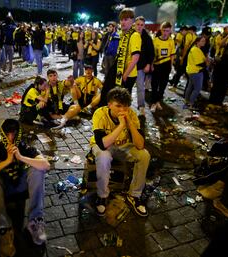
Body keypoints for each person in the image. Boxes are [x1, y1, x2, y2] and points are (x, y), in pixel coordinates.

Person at [0, 119, 50, 257]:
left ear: (18, 134)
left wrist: (21, 157)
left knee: (38, 171)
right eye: (7, 134)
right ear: (3, 134)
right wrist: (6, 161)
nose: (10, 139)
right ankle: (3, 230)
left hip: (20, 185)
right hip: (3, 187)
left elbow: (46, 165)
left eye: (14, 134)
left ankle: (35, 222)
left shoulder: (24, 147)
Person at [90, 87, 150, 217]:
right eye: (118, 106)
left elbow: (140, 145)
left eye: (125, 107)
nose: (122, 110)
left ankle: (134, 195)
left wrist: (130, 124)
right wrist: (121, 125)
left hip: (124, 146)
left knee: (144, 155)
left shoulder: (131, 114)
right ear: (109, 104)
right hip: (103, 146)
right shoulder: (100, 113)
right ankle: (102, 195)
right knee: (104, 155)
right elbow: (103, 144)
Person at [99, 8, 141, 107]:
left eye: (126, 19)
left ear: (132, 21)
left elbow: (135, 58)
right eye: (121, 19)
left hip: (127, 74)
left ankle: (121, 117)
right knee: (109, 92)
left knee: (122, 100)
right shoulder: (122, 34)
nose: (122, 22)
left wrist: (125, 75)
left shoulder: (134, 35)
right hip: (118, 69)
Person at [52, 64, 103, 129]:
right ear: (85, 71)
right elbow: (73, 83)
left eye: (89, 70)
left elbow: (102, 89)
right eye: (86, 70)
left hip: (91, 99)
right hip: (81, 97)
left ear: (92, 71)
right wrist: (72, 83)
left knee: (101, 94)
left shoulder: (96, 80)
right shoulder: (81, 78)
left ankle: (88, 108)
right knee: (73, 86)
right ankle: (76, 104)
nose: (88, 71)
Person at [150, 21, 175, 113]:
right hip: (157, 66)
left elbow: (172, 55)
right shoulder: (155, 40)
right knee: (154, 85)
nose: (165, 33)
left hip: (166, 65)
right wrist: (151, 65)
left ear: (170, 31)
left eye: (167, 31)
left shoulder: (171, 41)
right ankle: (153, 103)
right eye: (164, 30)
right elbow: (152, 55)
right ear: (161, 30)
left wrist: (171, 66)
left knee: (163, 86)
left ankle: (158, 101)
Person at [134, 16, 154, 117]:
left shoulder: (147, 38)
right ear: (134, 24)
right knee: (126, 87)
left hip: (140, 66)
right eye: (138, 24)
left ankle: (141, 106)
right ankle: (125, 106)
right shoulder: (130, 35)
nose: (139, 26)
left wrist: (148, 64)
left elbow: (151, 52)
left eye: (142, 25)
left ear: (144, 26)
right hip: (130, 65)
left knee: (140, 87)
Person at [183, 36, 209, 109]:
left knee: (190, 87)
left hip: (192, 71)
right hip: (196, 71)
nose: (204, 42)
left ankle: (186, 101)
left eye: (204, 41)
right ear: (197, 42)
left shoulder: (197, 49)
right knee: (197, 88)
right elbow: (199, 63)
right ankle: (191, 103)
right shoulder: (195, 50)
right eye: (202, 41)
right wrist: (207, 63)